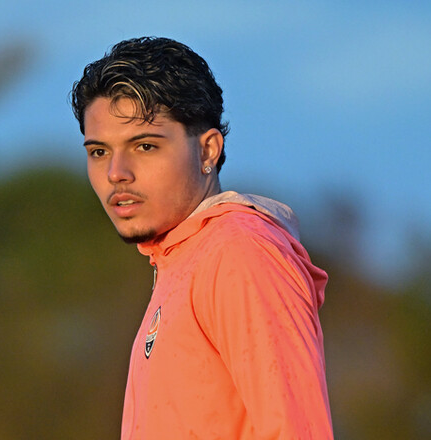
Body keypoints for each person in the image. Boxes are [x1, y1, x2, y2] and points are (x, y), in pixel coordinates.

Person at [70, 37, 333, 439]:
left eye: (144, 146)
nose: (116, 173)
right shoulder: (183, 258)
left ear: (208, 150)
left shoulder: (239, 251)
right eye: (99, 152)